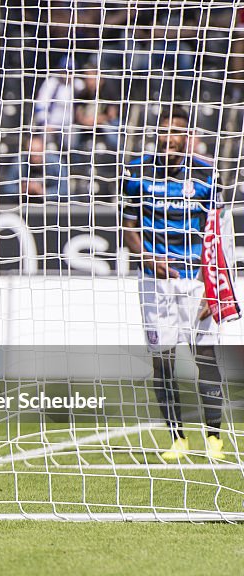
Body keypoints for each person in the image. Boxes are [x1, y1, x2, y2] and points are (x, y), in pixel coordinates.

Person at [121, 106, 228, 462]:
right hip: (154, 281)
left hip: (195, 280)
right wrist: (148, 258)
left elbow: (217, 234)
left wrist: (211, 287)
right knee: (162, 361)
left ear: (187, 137)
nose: (170, 140)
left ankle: (214, 437)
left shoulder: (206, 174)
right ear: (157, 135)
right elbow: (129, 229)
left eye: (177, 133)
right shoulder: (135, 172)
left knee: (205, 356)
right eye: (164, 132)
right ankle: (178, 438)